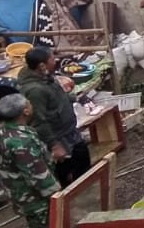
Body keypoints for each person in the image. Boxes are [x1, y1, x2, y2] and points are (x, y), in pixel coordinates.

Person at [0, 94, 60, 228]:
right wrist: (58, 195)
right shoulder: (21, 141)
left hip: (17, 193)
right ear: (25, 111)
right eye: (29, 103)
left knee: (36, 227)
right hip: (35, 199)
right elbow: (38, 176)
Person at [17, 46, 90, 186]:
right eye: (52, 58)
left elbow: (57, 97)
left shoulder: (45, 76)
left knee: (83, 163)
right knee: (67, 174)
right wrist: (54, 146)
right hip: (58, 137)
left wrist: (76, 98)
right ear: (42, 65)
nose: (55, 60)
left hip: (69, 132)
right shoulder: (35, 90)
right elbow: (38, 121)